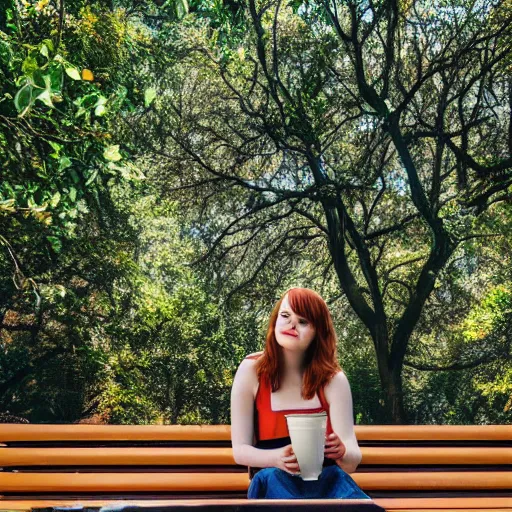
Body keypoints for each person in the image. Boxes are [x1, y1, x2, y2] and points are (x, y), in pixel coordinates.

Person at [230, 287, 370, 499]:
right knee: (271, 478)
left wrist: (342, 452)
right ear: (275, 319)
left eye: (303, 321)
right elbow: (240, 451)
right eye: (285, 315)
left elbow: (352, 460)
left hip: (326, 480)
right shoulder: (251, 370)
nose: (292, 325)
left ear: (318, 333)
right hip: (273, 477)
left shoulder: (334, 380)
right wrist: (278, 458)